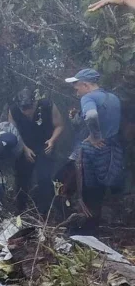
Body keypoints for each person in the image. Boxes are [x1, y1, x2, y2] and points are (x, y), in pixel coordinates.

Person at [65, 68, 123, 232]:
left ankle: (82, 233)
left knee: (86, 191)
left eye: (77, 88)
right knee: (100, 191)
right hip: (112, 150)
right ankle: (93, 230)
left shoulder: (88, 98)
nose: (76, 92)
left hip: (93, 151)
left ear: (85, 85)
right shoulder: (113, 98)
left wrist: (95, 136)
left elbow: (91, 116)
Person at [7, 87, 65, 214]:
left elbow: (59, 125)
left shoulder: (47, 105)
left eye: (29, 108)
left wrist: (52, 140)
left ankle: (44, 213)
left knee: (44, 178)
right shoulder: (13, 110)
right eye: (24, 109)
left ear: (35, 103)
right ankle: (20, 210)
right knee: (22, 179)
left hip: (45, 145)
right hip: (24, 145)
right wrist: (24, 148)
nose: (26, 112)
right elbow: (13, 131)